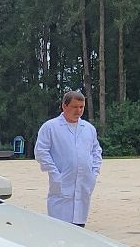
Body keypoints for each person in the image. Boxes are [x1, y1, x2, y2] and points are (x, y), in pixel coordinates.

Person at [36, 89, 103, 226]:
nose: (78, 111)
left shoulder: (88, 128)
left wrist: (93, 173)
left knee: (79, 226)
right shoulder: (50, 127)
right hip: (62, 182)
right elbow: (41, 151)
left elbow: (96, 151)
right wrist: (55, 173)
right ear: (64, 106)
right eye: (74, 107)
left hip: (84, 183)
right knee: (60, 227)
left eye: (81, 107)